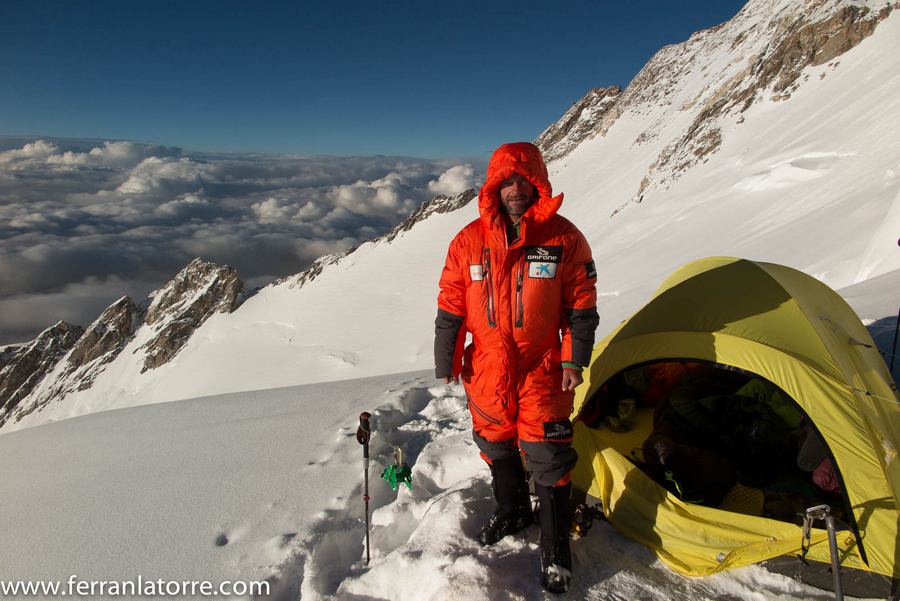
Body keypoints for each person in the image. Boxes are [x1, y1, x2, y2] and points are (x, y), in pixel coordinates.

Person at [434, 142, 599, 593]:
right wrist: (446, 358)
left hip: (543, 366)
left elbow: (580, 306)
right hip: (487, 366)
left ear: (537, 184)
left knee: (548, 456)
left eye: (522, 182)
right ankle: (512, 510)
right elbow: (451, 303)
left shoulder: (563, 238)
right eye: (506, 182)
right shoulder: (468, 241)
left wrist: (574, 358)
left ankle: (555, 546)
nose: (515, 190)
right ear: (493, 188)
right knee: (495, 443)